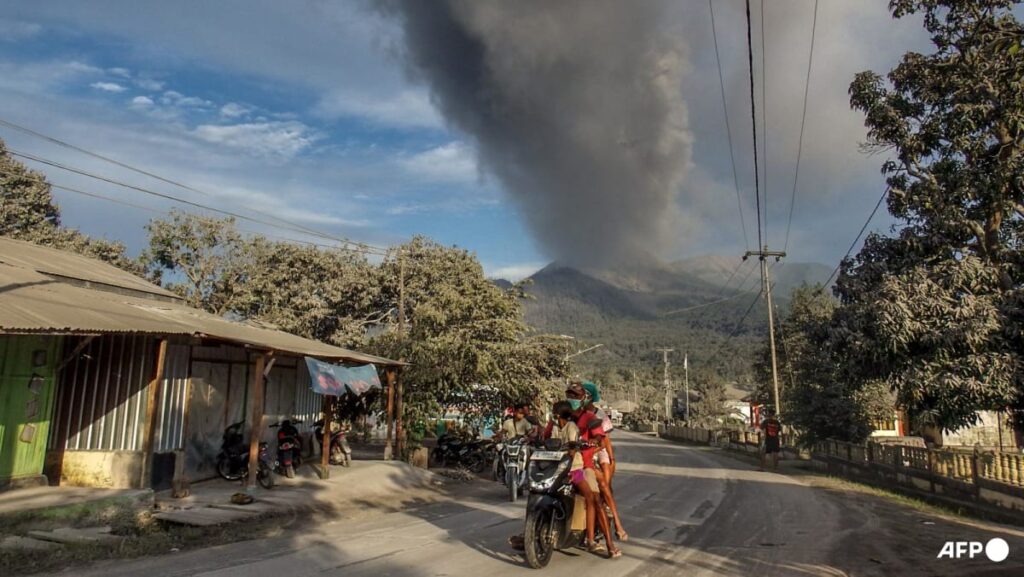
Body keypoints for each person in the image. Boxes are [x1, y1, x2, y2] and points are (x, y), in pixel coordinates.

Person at [566, 384, 621, 558]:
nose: (572, 398)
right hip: (559, 466)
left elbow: (599, 436)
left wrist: (594, 441)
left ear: (583, 399)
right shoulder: (562, 415)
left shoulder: (589, 417)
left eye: (575, 396)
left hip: (581, 467)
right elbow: (545, 434)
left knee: (595, 499)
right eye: (569, 395)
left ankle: (607, 543)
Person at [577, 382, 628, 542]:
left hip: (596, 450)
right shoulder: (573, 415)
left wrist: (611, 459)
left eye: (580, 395)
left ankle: (616, 525)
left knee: (604, 485)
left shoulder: (598, 416)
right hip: (581, 453)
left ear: (589, 397)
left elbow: (605, 440)